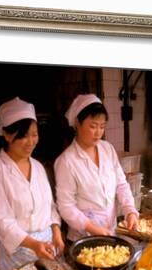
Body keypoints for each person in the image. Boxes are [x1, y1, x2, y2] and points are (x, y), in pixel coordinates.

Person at [0, 97, 64, 270]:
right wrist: (33, 244)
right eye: (23, 135)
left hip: (47, 247)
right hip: (17, 251)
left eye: (34, 134)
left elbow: (49, 206)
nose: (31, 142)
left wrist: (56, 231)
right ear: (7, 135)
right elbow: (0, 220)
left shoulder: (39, 167)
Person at [54, 94, 139, 242]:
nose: (98, 132)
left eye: (102, 126)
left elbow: (121, 184)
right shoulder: (66, 162)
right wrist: (92, 228)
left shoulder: (107, 149)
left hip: (109, 231)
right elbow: (66, 206)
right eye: (93, 126)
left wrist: (130, 211)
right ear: (77, 123)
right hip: (83, 238)